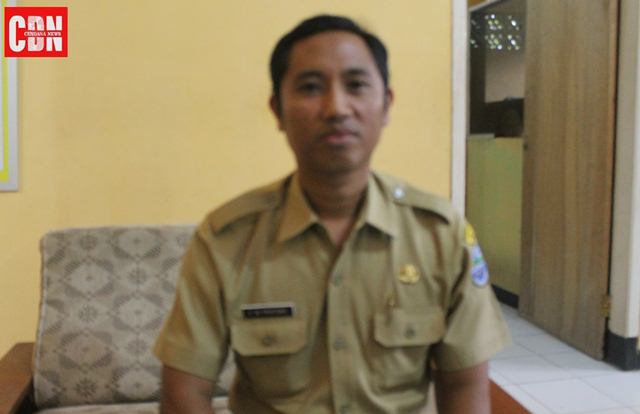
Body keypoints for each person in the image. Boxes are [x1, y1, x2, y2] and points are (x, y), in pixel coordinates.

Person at [154, 14, 510, 414]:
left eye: (356, 85)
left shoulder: (439, 233)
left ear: (386, 105)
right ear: (277, 110)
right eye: (310, 87)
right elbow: (184, 394)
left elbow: (464, 385)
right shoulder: (228, 239)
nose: (336, 108)